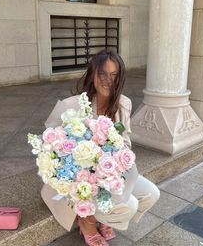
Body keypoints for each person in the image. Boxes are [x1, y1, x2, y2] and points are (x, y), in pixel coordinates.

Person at [43, 50, 160, 246]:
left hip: (111, 173)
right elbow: (50, 146)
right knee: (129, 205)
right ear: (92, 75)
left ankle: (102, 218)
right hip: (79, 180)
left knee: (151, 194)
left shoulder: (124, 104)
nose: (108, 80)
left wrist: (120, 161)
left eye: (114, 75)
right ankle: (86, 221)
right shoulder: (71, 105)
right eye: (102, 74)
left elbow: (126, 141)